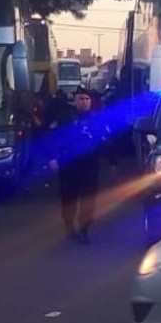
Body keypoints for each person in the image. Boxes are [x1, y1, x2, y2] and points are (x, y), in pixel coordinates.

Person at [46, 88, 114, 243]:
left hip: (90, 166)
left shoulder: (97, 118)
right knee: (68, 198)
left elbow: (107, 139)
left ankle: (84, 229)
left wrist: (111, 159)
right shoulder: (65, 118)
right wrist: (52, 158)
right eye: (81, 99)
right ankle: (69, 226)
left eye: (87, 99)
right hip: (69, 165)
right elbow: (52, 139)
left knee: (88, 199)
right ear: (75, 100)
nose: (84, 102)